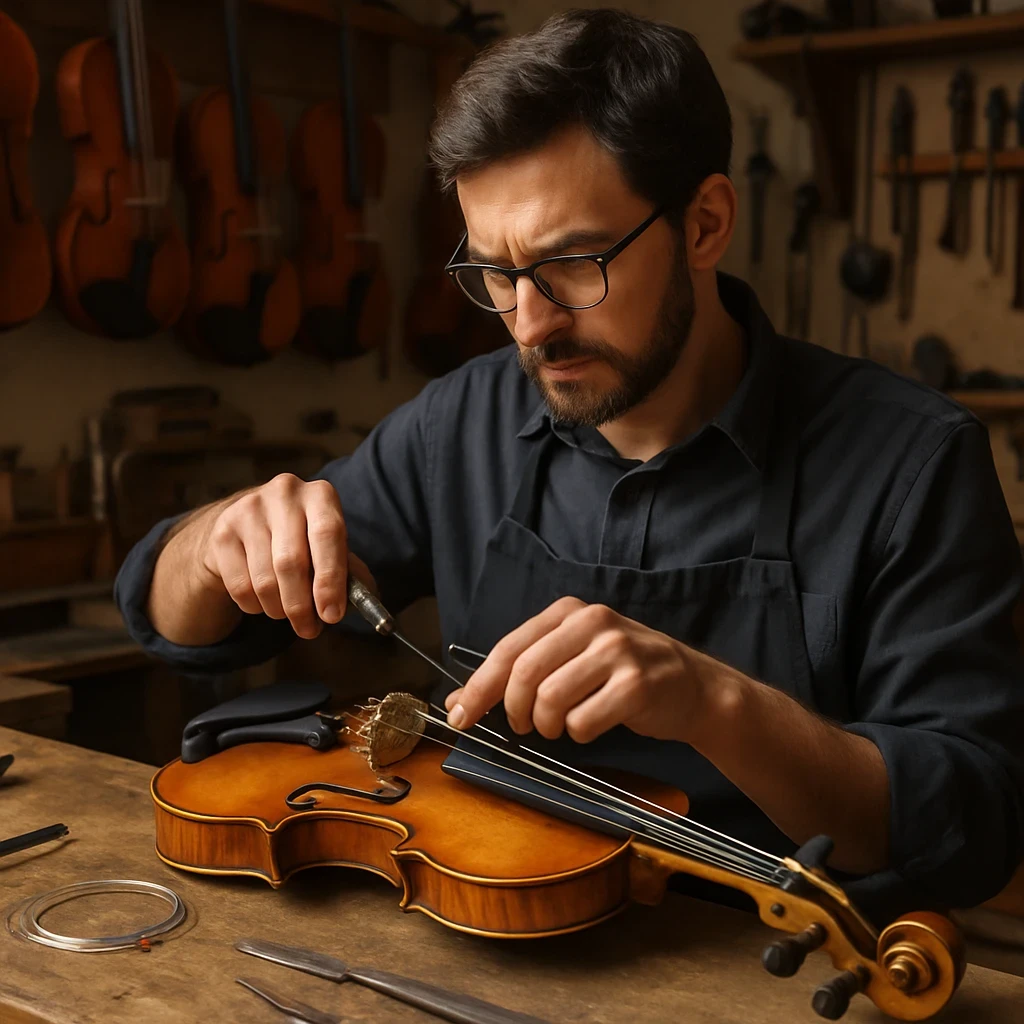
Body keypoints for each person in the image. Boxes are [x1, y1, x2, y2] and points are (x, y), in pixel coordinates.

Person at [115, 8, 1024, 926]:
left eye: (571, 265)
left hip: (768, 964)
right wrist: (214, 543)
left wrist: (713, 701)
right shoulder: (460, 421)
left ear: (705, 224)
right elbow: (178, 625)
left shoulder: (913, 462)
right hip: (477, 920)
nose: (529, 323)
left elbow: (970, 830)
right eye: (496, 273)